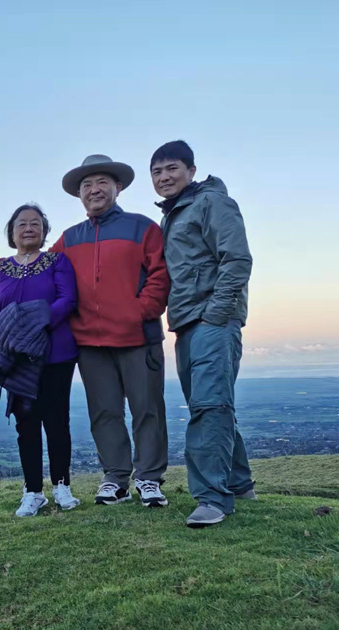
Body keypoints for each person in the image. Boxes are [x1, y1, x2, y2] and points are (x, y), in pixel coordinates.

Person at [50, 155, 171, 507]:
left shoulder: (143, 227)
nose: (94, 189)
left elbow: (161, 276)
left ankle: (148, 478)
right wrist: (3, 266)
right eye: (86, 185)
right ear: (79, 195)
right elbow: (45, 271)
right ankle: (115, 478)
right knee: (103, 411)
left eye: (101, 181)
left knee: (147, 408)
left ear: (117, 187)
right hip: (89, 342)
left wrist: (139, 312)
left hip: (138, 337)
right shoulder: (69, 239)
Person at [150, 140, 255, 528]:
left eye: (172, 168)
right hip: (187, 322)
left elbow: (237, 258)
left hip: (211, 320)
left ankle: (212, 499)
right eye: (157, 172)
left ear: (192, 170)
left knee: (210, 406)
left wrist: (216, 313)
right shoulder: (174, 214)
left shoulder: (212, 203)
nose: (164, 177)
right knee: (211, 405)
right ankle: (241, 485)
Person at [0, 204, 80, 516]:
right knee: (26, 422)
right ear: (12, 232)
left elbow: (68, 299)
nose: (28, 228)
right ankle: (33, 491)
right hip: (16, 356)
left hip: (55, 353)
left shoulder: (57, 262)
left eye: (35, 223)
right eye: (21, 224)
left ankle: (62, 486)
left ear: (44, 230)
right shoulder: (0, 269)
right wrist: (14, 325)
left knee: (56, 419)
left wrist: (36, 320)